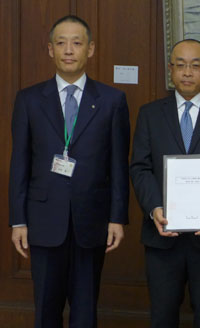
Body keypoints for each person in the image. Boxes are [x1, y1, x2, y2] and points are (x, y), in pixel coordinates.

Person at [9, 15, 130, 328]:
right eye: (61, 43)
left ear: (91, 49)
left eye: (77, 43)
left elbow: (118, 164)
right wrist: (18, 220)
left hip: (92, 221)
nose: (68, 50)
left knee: (85, 311)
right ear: (50, 50)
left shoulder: (112, 101)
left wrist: (117, 217)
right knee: (46, 311)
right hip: (43, 220)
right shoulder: (29, 100)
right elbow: (19, 163)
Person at [129, 39, 200, 328]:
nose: (187, 72)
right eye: (180, 65)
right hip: (162, 235)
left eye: (195, 65)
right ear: (170, 70)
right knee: (162, 316)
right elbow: (140, 168)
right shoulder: (150, 114)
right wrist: (154, 207)